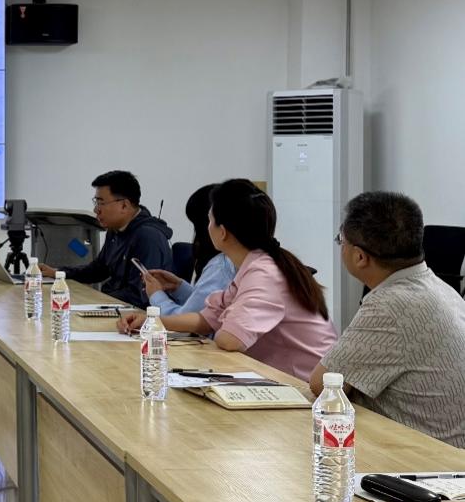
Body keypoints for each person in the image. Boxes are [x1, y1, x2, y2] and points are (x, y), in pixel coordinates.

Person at [118, 178, 335, 379]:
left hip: (304, 387)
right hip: (281, 378)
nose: (206, 228)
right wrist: (151, 322)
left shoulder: (264, 273)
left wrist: (224, 323)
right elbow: (206, 319)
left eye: (210, 220)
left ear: (222, 232)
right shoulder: (253, 264)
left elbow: (230, 339)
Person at [310, 192, 465, 447]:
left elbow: (323, 384)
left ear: (360, 257)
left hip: (426, 457)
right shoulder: (438, 288)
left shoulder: (390, 305)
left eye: (341, 241)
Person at [39, 170, 172, 309]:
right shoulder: (115, 230)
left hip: (136, 316)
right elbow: (99, 269)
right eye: (96, 202)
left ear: (124, 205)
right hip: (113, 305)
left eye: (101, 203)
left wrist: (94, 301)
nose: (96, 210)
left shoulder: (148, 238)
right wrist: (59, 273)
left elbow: (139, 296)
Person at [140, 184, 236, 315]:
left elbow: (184, 320)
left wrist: (156, 295)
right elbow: (207, 306)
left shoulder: (221, 266)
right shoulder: (233, 261)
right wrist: (179, 287)